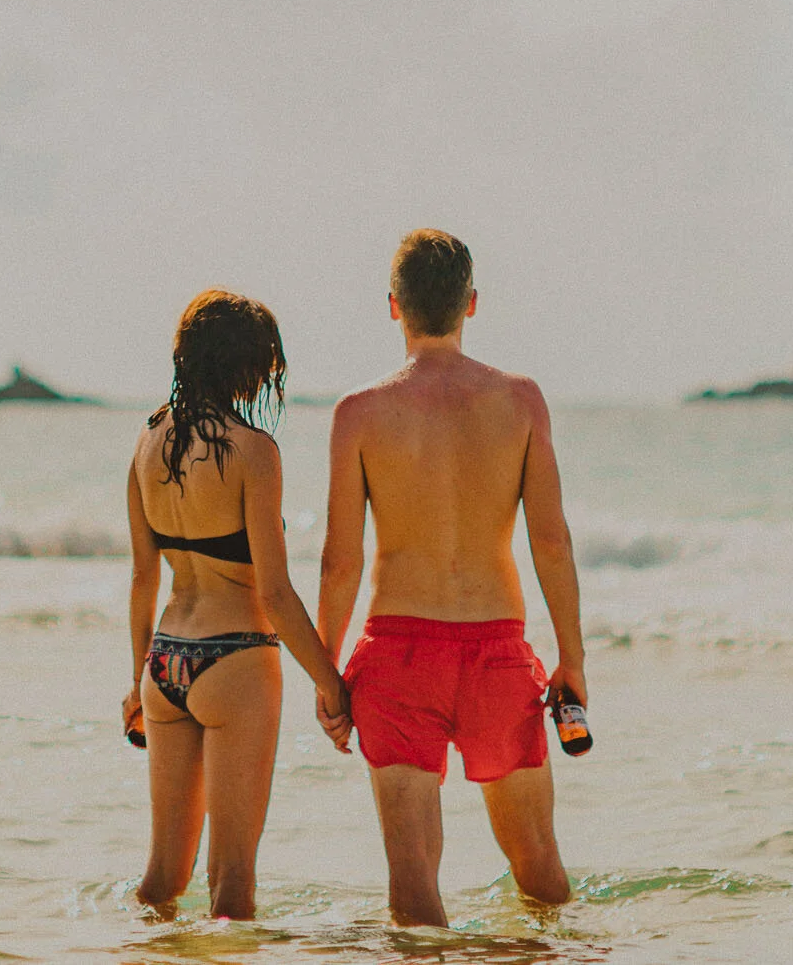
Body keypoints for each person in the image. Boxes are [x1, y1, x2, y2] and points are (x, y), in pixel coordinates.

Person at [317, 228, 583, 927]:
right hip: (498, 652)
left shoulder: (358, 414)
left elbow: (340, 561)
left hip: (399, 657)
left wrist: (325, 670)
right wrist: (573, 660)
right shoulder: (522, 401)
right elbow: (550, 542)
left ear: (394, 307)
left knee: (412, 885)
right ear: (471, 304)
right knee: (540, 870)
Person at [124, 289, 350, 920]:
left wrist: (133, 681)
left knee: (162, 878)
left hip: (163, 664)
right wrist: (330, 681)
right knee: (232, 883)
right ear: (244, 366)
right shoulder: (254, 452)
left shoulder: (146, 442)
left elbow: (144, 578)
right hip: (236, 660)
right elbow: (274, 593)